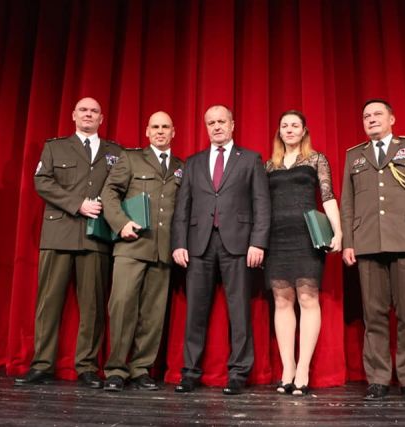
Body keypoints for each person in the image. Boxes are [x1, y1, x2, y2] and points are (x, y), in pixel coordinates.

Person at [341, 99, 405, 402]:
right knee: (373, 315)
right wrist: (349, 242)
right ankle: (378, 379)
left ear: (392, 119)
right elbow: (348, 203)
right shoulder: (354, 155)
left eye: (378, 114)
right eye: (366, 116)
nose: (371, 119)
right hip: (368, 242)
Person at [14, 97, 122, 389]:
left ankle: (87, 366)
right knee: (48, 303)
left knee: (93, 306)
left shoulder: (115, 152)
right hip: (58, 233)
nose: (88, 114)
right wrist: (78, 204)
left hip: (96, 236)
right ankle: (42, 364)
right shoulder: (55, 147)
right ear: (74, 115)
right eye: (83, 110)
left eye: (94, 111)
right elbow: (42, 181)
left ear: (101, 118)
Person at [171, 105, 270, 395]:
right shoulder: (193, 163)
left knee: (239, 311)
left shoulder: (250, 159)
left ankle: (238, 373)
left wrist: (258, 241)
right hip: (198, 244)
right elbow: (182, 207)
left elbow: (261, 203)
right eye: (211, 123)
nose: (216, 126)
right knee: (195, 312)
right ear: (206, 127)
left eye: (221, 121)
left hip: (238, 243)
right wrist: (179, 243)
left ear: (232, 124)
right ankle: (190, 372)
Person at [100, 111, 184, 392]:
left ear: (173, 132)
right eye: (155, 127)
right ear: (147, 131)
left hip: (162, 250)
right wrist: (121, 223)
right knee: (122, 307)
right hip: (131, 245)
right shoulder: (130, 158)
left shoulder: (181, 167)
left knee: (153, 313)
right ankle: (116, 369)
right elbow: (109, 192)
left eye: (165, 127)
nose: (160, 131)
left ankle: (141, 369)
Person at [264, 110, 342, 396]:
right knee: (282, 300)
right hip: (276, 238)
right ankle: (288, 368)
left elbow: (328, 196)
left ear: (304, 130)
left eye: (295, 125)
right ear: (279, 131)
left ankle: (303, 369)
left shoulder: (316, 159)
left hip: (307, 237)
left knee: (308, 298)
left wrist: (338, 232)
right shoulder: (268, 165)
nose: (289, 129)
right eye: (284, 125)